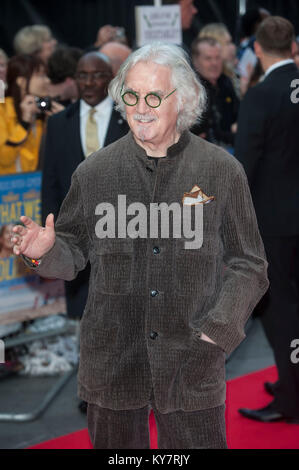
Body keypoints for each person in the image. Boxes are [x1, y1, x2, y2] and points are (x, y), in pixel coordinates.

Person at [12, 42, 268, 449]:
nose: (140, 107)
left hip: (191, 360)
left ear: (182, 100)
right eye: (131, 96)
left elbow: (249, 264)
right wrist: (43, 251)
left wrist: (216, 334)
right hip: (112, 363)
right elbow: (72, 253)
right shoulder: (94, 172)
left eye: (153, 96)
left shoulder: (221, 170)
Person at [41, 51, 128, 414]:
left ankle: (129, 386)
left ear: (110, 78)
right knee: (88, 314)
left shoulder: (130, 121)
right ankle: (93, 388)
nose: (90, 83)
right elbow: (51, 183)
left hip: (126, 233)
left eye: (97, 76)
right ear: (74, 79)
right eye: (83, 76)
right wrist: (52, 237)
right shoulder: (59, 124)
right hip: (76, 238)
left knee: (126, 311)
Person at [235, 16, 299, 423]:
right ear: (293, 46)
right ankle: (292, 382)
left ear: (257, 50)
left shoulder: (260, 96)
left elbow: (243, 167)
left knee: (282, 313)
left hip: (275, 223)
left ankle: (291, 401)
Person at [0, 54, 50, 174]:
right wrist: (24, 123)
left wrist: (60, 122)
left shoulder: (42, 110)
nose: (47, 80)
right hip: (8, 189)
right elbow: (4, 158)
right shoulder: (2, 110)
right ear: (21, 81)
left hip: (36, 186)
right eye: (40, 75)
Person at [191, 37, 239, 149]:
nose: (214, 63)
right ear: (195, 61)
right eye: (208, 58)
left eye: (217, 58)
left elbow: (238, 113)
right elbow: (206, 132)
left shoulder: (225, 82)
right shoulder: (192, 90)